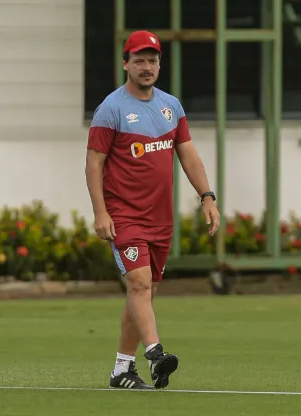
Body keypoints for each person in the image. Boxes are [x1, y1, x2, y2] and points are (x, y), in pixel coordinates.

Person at [85, 30, 220, 390]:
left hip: (160, 219)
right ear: (125, 64)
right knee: (140, 283)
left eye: (153, 60)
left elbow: (188, 153)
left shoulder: (171, 106)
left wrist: (207, 196)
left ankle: (121, 371)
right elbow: (94, 164)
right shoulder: (111, 109)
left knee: (142, 292)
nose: (147, 67)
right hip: (124, 217)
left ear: (160, 63)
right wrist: (101, 213)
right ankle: (156, 353)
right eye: (139, 60)